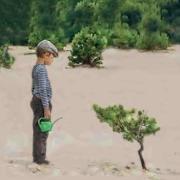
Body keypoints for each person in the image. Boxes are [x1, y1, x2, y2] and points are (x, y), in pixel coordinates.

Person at [30, 40, 58, 165]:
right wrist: (46, 108)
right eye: (52, 56)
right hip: (42, 102)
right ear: (46, 54)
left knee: (39, 130)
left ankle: (38, 157)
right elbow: (42, 90)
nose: (52, 59)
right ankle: (40, 159)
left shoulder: (36, 68)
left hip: (37, 101)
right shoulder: (41, 69)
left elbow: (33, 88)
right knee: (42, 131)